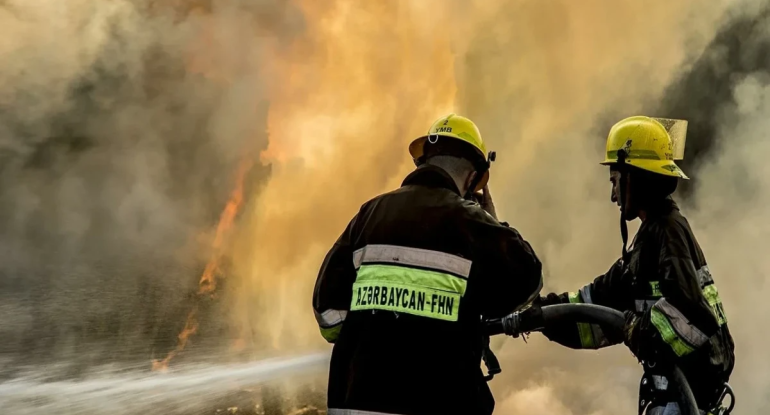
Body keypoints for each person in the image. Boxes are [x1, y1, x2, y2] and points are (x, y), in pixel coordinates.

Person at [312, 113, 543, 415]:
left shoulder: (369, 214)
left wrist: (375, 334)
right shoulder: (471, 223)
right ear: (474, 178)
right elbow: (527, 282)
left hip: (357, 403)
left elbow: (327, 313)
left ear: (423, 162)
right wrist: (493, 220)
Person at [536, 116, 735, 415]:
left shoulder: (669, 231)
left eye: (615, 182)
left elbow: (694, 317)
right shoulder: (648, 241)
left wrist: (641, 328)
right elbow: (593, 310)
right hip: (669, 401)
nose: (613, 195)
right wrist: (538, 314)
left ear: (635, 177)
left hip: (684, 405)